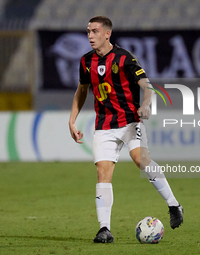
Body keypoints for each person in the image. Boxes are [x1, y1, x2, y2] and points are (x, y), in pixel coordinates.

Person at [69, 16, 183, 243]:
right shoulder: (85, 62)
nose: (90, 35)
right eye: (88, 32)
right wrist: (72, 120)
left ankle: (173, 205)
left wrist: (145, 104)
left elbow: (146, 85)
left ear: (107, 34)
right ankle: (104, 229)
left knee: (140, 158)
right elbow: (82, 90)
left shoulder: (124, 58)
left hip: (130, 120)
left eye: (94, 31)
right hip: (104, 125)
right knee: (103, 171)